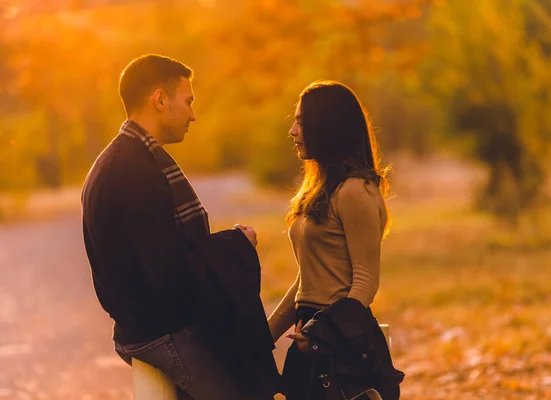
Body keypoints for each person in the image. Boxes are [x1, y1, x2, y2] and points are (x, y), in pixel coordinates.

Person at [81, 54, 282, 400]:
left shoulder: (122, 159)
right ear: (160, 99)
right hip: (159, 332)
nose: (193, 115)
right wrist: (236, 245)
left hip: (142, 325)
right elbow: (167, 272)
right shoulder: (133, 172)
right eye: (188, 101)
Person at [267, 81, 404, 400]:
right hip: (311, 334)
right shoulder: (319, 192)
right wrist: (265, 336)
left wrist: (324, 332)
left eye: (301, 120)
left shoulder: (356, 191)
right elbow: (307, 279)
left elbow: (366, 282)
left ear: (328, 125)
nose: (292, 130)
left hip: (341, 344)